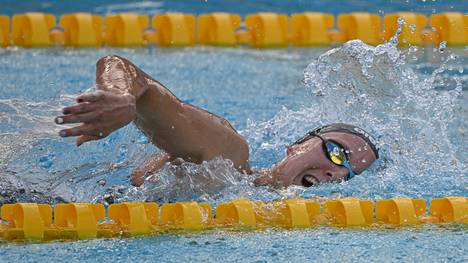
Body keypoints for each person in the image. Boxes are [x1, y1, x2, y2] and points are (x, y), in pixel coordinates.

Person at [55, 55, 379, 188]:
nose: (335, 172)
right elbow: (125, 69)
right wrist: (120, 97)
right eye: (338, 153)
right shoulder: (229, 159)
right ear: (296, 146)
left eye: (348, 175)